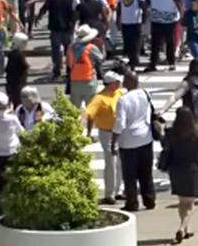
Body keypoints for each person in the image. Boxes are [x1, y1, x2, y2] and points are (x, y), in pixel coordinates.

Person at [158, 107, 198, 244]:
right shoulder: (196, 134)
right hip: (191, 170)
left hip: (175, 170)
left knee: (182, 202)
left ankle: (186, 229)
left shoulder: (171, 133)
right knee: (190, 203)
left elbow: (166, 148)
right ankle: (182, 228)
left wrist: (161, 131)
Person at [112, 71, 155, 212]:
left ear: (130, 82)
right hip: (145, 138)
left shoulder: (123, 100)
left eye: (125, 80)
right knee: (146, 172)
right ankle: (149, 200)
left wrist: (114, 141)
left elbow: (120, 124)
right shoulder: (145, 93)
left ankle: (132, 202)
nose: (123, 83)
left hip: (128, 142)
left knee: (130, 175)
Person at [85, 72, 125, 205]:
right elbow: (89, 113)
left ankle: (118, 190)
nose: (120, 84)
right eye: (117, 82)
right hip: (107, 134)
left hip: (120, 133)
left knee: (120, 162)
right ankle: (109, 194)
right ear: (110, 84)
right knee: (111, 162)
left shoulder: (119, 93)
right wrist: (87, 131)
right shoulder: (99, 98)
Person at [0, 92, 23, 218]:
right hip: (11, 153)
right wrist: (11, 111)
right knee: (12, 183)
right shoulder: (12, 119)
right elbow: (21, 131)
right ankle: (13, 212)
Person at [37, 0, 79, 81]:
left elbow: (43, 9)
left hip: (55, 29)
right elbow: (75, 14)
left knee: (56, 51)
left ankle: (57, 71)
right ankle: (70, 71)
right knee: (69, 51)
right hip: (67, 29)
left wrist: (38, 17)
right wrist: (73, 26)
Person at [163, 59, 198, 137]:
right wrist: (164, 109)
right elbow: (175, 96)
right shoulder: (187, 83)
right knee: (193, 137)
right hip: (191, 117)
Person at [147, 0, 182, 71]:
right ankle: (152, 64)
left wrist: (182, 14)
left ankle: (171, 62)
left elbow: (179, 1)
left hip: (169, 19)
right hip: (156, 19)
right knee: (155, 43)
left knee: (170, 42)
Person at [66, 25, 105, 108]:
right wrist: (102, 47)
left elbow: (69, 64)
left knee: (75, 109)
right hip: (89, 80)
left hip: (74, 81)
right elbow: (101, 58)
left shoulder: (71, 47)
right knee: (90, 109)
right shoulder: (91, 48)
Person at [116, 0, 147, 67]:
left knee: (136, 41)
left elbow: (142, 2)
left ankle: (135, 59)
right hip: (125, 20)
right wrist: (118, 19)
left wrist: (144, 15)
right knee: (127, 41)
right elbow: (120, 4)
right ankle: (131, 59)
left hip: (135, 19)